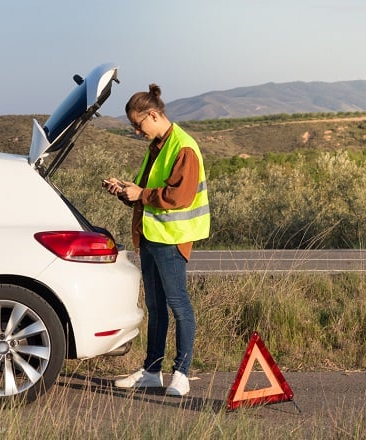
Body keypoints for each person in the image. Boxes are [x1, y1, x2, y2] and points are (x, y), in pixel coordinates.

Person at [103, 84, 210, 396]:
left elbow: (180, 196)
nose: (137, 132)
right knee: (155, 305)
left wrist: (141, 194)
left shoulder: (183, 147)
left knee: (178, 304)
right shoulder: (158, 146)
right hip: (150, 236)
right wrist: (125, 191)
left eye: (138, 125)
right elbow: (144, 192)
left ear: (153, 115)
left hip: (172, 238)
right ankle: (152, 371)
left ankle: (181, 373)